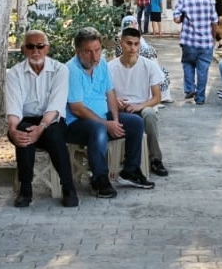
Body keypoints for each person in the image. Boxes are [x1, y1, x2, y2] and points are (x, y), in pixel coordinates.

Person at [64, 27, 157, 199]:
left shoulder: (102, 64)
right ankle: (99, 179)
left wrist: (114, 120)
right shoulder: (70, 70)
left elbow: (110, 93)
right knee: (98, 130)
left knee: (135, 123)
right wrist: (106, 124)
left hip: (103, 117)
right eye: (88, 52)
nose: (95, 56)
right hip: (76, 123)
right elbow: (77, 108)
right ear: (77, 51)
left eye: (97, 50)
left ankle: (130, 171)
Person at [5, 29, 78, 208]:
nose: (35, 51)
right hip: (26, 120)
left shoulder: (60, 70)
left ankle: (68, 187)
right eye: (30, 47)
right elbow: (13, 106)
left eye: (40, 46)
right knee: (23, 134)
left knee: (54, 134)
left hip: (51, 120)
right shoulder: (14, 73)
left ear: (47, 48)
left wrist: (42, 127)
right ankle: (25, 189)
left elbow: (56, 104)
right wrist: (12, 130)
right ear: (23, 49)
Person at [109, 26, 169, 178]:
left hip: (142, 106)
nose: (133, 48)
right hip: (119, 108)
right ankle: (109, 159)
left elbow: (157, 97)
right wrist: (116, 101)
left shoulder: (148, 65)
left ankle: (155, 159)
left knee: (149, 114)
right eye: (129, 43)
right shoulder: (110, 67)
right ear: (121, 43)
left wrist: (140, 106)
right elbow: (105, 94)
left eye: (136, 44)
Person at [174, 0, 220, 105]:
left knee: (187, 64)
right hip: (206, 42)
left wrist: (184, 17)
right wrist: (213, 37)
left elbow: (177, 19)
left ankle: (189, 89)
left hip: (189, 42)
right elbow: (215, 21)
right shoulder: (209, 0)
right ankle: (200, 98)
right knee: (203, 70)